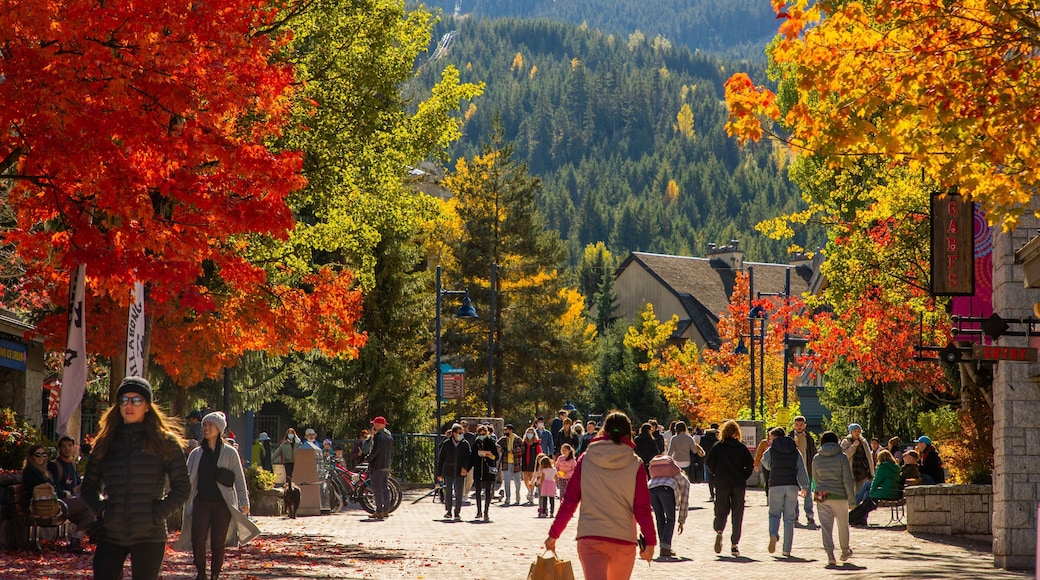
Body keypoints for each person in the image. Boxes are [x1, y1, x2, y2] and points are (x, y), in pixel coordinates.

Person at [81, 376, 190, 580]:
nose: (129, 405)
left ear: (147, 406)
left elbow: (182, 488)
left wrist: (156, 514)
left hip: (149, 534)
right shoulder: (106, 442)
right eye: (124, 400)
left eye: (136, 400)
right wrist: (103, 511)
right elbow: (88, 487)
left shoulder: (165, 442)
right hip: (112, 532)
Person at [544, 411, 656, 578]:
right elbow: (642, 508)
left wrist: (554, 534)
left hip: (591, 536)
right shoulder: (636, 464)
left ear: (604, 430)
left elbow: (570, 501)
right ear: (628, 432)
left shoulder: (586, 459)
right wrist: (651, 541)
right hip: (623, 538)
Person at [176, 411, 259, 580]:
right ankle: (201, 572)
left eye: (210, 425)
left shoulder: (230, 453)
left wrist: (244, 502)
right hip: (201, 502)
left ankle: (215, 574)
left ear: (219, 429)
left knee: (218, 541)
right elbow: (187, 479)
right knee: (197, 538)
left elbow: (239, 478)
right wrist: (178, 497)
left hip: (223, 504)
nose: (206, 428)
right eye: (204, 425)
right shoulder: (196, 453)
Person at [24, 443, 96, 553]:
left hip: (55, 503)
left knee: (88, 514)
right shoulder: (31, 471)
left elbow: (55, 487)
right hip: (45, 506)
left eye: (44, 454)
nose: (41, 457)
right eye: (38, 455)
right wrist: (65, 494)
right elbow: (44, 491)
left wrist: (70, 492)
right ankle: (96, 532)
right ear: (31, 456)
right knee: (87, 502)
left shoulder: (45, 472)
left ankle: (76, 541)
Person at [704, 420, 754, 557]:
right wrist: (743, 476)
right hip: (738, 483)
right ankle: (734, 545)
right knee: (737, 514)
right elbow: (750, 464)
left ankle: (719, 530)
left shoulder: (717, 447)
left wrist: (716, 474)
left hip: (722, 483)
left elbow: (708, 463)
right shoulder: (741, 447)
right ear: (736, 432)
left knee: (721, 509)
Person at [760, 427, 810, 558]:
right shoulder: (794, 449)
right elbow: (801, 468)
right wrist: (804, 486)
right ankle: (786, 549)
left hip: (776, 483)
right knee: (789, 519)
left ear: (775, 437)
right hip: (792, 485)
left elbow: (764, 461)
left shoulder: (772, 449)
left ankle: (773, 534)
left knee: (774, 514)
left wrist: (773, 467)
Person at [812, 431, 856, 566]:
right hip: (840, 495)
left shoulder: (816, 458)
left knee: (826, 527)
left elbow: (815, 478)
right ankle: (844, 550)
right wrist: (852, 499)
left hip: (822, 495)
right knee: (843, 525)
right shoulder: (842, 457)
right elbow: (847, 479)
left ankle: (830, 555)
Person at [647, 453, 690, 559]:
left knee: (659, 518)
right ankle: (665, 547)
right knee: (670, 519)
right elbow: (684, 497)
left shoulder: (656, 475)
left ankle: (664, 547)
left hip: (651, 489)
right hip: (667, 490)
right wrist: (681, 520)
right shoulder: (681, 478)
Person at [849, 449, 902, 526]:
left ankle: (854, 505)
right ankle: (861, 518)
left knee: (867, 486)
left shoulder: (883, 467)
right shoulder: (896, 467)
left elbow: (876, 481)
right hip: (894, 492)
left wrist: (871, 492)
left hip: (885, 492)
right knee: (866, 493)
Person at [435, 423, 471, 521]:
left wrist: (465, 468)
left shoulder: (465, 444)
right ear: (454, 433)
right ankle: (449, 511)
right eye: (459, 432)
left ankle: (457, 512)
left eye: (462, 432)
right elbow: (441, 459)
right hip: (448, 470)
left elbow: (468, 457)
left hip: (460, 471)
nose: (461, 434)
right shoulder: (446, 443)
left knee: (459, 492)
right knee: (448, 491)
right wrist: (439, 473)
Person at [791, 415, 818, 526]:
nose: (799, 427)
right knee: (793, 495)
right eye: (797, 425)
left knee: (807, 496)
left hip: (807, 470)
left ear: (805, 426)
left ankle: (810, 516)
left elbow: (814, 454)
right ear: (794, 425)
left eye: (801, 425)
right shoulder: (789, 438)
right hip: (793, 471)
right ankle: (795, 515)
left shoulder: (809, 439)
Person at [840, 423, 874, 504]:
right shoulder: (846, 442)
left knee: (859, 493)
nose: (857, 433)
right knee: (850, 493)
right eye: (855, 431)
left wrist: (871, 471)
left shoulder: (863, 442)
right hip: (850, 471)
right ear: (851, 432)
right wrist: (853, 446)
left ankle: (857, 509)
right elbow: (844, 456)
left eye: (859, 431)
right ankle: (851, 507)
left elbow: (868, 456)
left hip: (862, 470)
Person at [368, 416, 394, 519]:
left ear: (378, 424)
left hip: (377, 465)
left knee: (377, 489)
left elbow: (376, 450)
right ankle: (386, 510)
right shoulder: (389, 437)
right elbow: (392, 453)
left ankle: (378, 511)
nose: (374, 425)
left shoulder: (378, 436)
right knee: (385, 488)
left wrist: (368, 458)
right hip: (386, 465)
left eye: (375, 424)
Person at [470, 423, 498, 522]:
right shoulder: (476, 442)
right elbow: (472, 457)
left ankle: (486, 511)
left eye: (483, 434)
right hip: (478, 470)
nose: (482, 436)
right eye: (480, 434)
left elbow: (496, 456)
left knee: (487, 491)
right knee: (477, 491)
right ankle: (479, 511)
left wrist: (490, 456)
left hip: (488, 470)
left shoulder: (491, 442)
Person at [498, 424, 523, 505]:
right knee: (507, 482)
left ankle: (517, 495)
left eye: (506, 430)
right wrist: (501, 449)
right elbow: (497, 446)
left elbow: (522, 449)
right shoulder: (503, 439)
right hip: (506, 463)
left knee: (517, 481)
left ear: (510, 430)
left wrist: (513, 451)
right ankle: (507, 497)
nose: (505, 431)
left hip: (516, 463)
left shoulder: (517, 439)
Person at [753, 428, 776, 505]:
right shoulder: (764, 443)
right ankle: (768, 498)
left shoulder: (778, 443)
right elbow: (759, 453)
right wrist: (756, 464)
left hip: (776, 465)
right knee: (767, 481)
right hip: (766, 465)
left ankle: (774, 498)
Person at [521, 426, 543, 505]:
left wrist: (539, 465)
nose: (529, 434)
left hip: (533, 464)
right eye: (528, 432)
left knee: (532, 480)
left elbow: (540, 454)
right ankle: (529, 491)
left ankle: (531, 494)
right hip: (525, 463)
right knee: (525, 479)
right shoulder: (523, 443)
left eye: (531, 432)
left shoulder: (536, 444)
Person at [700, 422, 720, 501]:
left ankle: (712, 494)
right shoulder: (717, 439)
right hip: (717, 460)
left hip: (707, 459)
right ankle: (717, 492)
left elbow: (701, 449)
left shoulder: (703, 439)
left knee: (710, 478)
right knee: (718, 477)